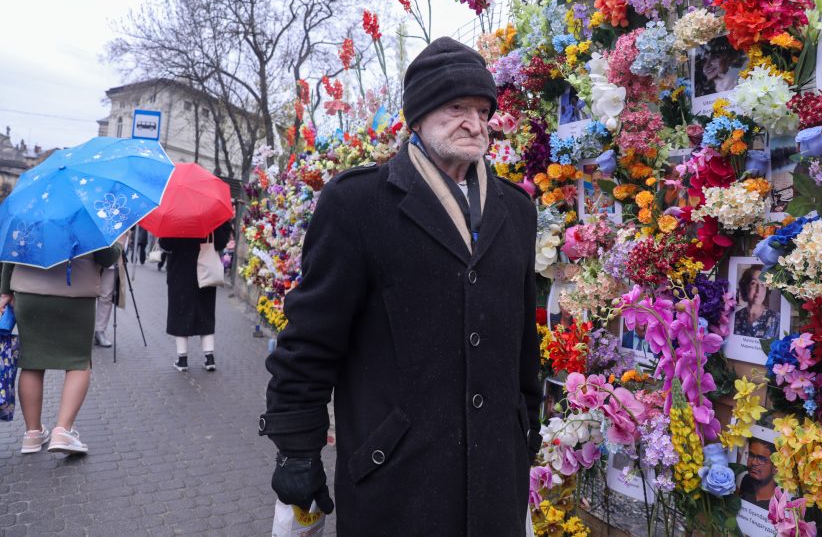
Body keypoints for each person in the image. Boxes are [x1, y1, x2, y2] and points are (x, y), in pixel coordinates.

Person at [259, 37, 541, 535]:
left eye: (482, 110)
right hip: (398, 478)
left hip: (497, 475)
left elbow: (523, 342)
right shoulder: (359, 204)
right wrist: (296, 450)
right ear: (418, 114)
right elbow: (310, 340)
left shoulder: (515, 211)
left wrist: (527, 427)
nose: (474, 124)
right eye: (456, 107)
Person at [0, 240, 123, 455]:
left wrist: (4, 292)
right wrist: (117, 245)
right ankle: (62, 431)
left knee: (31, 362)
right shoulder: (83, 209)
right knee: (78, 361)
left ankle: (32, 434)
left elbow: (10, 251)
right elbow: (106, 257)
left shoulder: (29, 208)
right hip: (75, 294)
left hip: (29, 293)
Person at [159, 221, 232, 372]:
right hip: (205, 269)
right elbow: (220, 242)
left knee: (179, 312)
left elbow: (166, 245)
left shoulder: (176, 215)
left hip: (180, 270)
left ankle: (182, 359)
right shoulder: (211, 213)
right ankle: (209, 357)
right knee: (205, 311)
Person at [93, 245, 127, 348]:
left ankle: (99, 330)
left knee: (106, 295)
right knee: (85, 293)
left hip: (112, 255)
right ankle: (82, 330)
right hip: (89, 254)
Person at [734, 266, 780, 339]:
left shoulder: (777, 319)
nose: (758, 290)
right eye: (754, 283)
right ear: (745, 286)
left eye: (763, 284)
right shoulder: (735, 317)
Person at [738, 438, 777, 510]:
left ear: (775, 467)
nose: (753, 462)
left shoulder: (779, 501)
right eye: (751, 455)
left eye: (761, 459)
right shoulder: (747, 480)